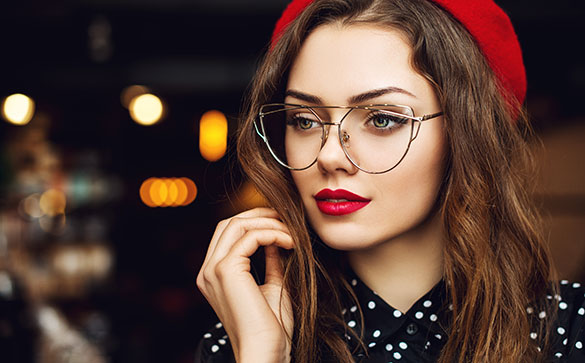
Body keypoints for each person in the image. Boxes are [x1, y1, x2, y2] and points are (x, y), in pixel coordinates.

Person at [195, 0, 585, 362]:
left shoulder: (568, 332)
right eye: (305, 121)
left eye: (382, 119)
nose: (330, 155)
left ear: (467, 135)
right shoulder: (246, 338)